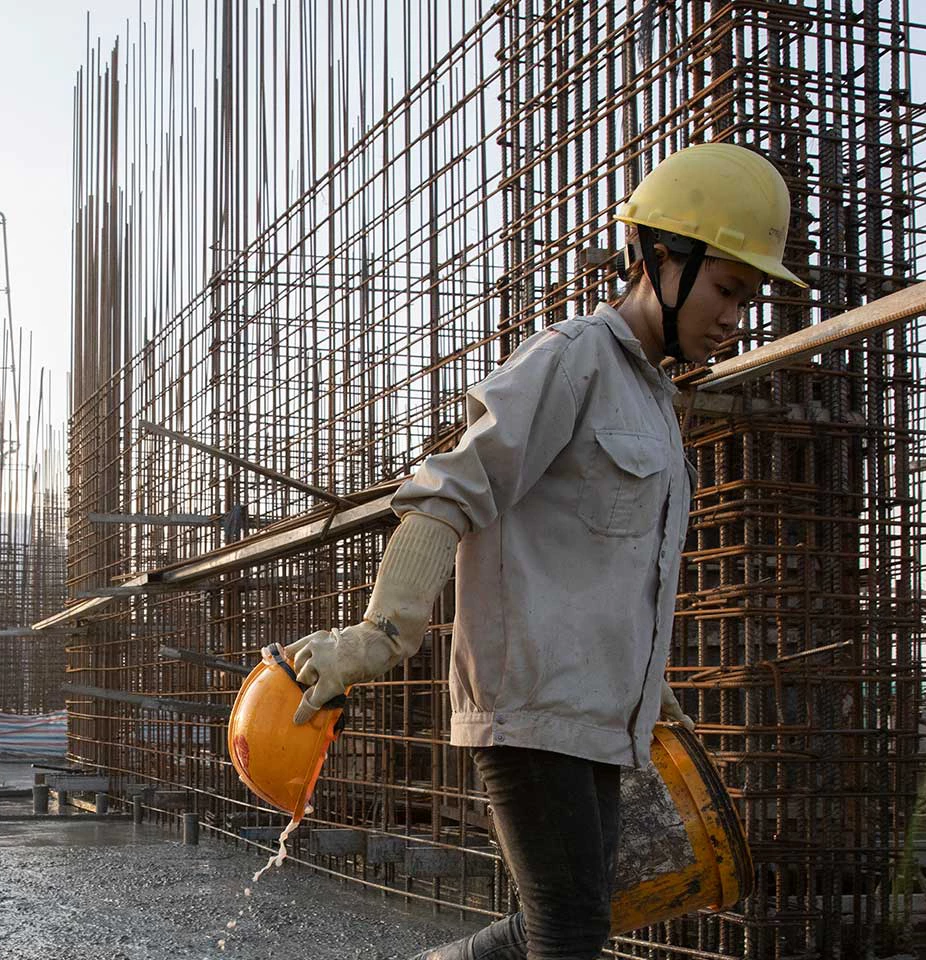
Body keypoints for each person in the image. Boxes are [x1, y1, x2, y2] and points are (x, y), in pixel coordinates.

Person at [284, 142, 807, 958]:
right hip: (531, 712)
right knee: (570, 932)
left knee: (563, 923)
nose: (737, 316)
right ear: (660, 260)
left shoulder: (657, 404)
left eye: (750, 296)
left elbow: (614, 571)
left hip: (599, 720)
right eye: (728, 287)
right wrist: (380, 634)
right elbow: (447, 492)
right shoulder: (570, 362)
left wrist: (646, 692)